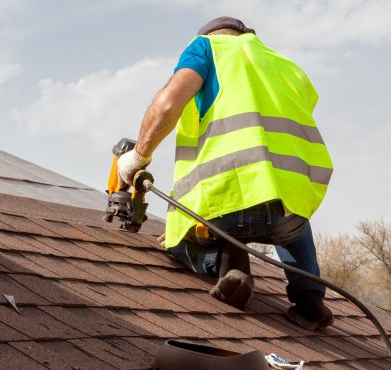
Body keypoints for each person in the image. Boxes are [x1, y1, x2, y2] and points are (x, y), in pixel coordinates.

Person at [116, 16, 334, 330]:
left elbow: (167, 105)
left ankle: (232, 265)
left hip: (225, 208)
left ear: (213, 36)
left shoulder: (206, 49)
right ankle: (310, 298)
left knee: (180, 241)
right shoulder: (285, 65)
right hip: (290, 211)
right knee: (290, 213)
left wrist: (138, 157)